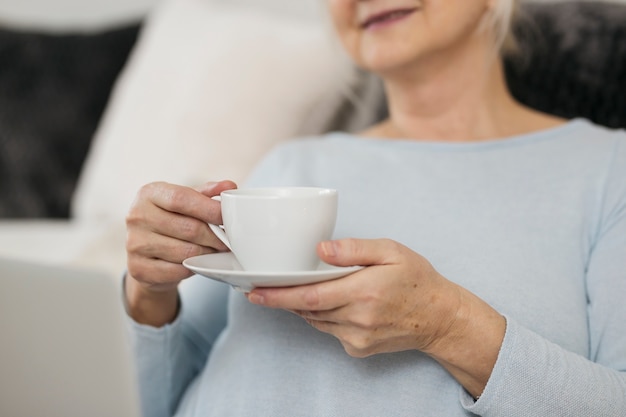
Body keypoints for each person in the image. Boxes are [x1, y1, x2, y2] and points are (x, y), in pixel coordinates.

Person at [123, 0, 626, 416]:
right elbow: (162, 398)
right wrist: (150, 289)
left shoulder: (607, 169)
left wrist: (447, 324)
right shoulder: (290, 164)